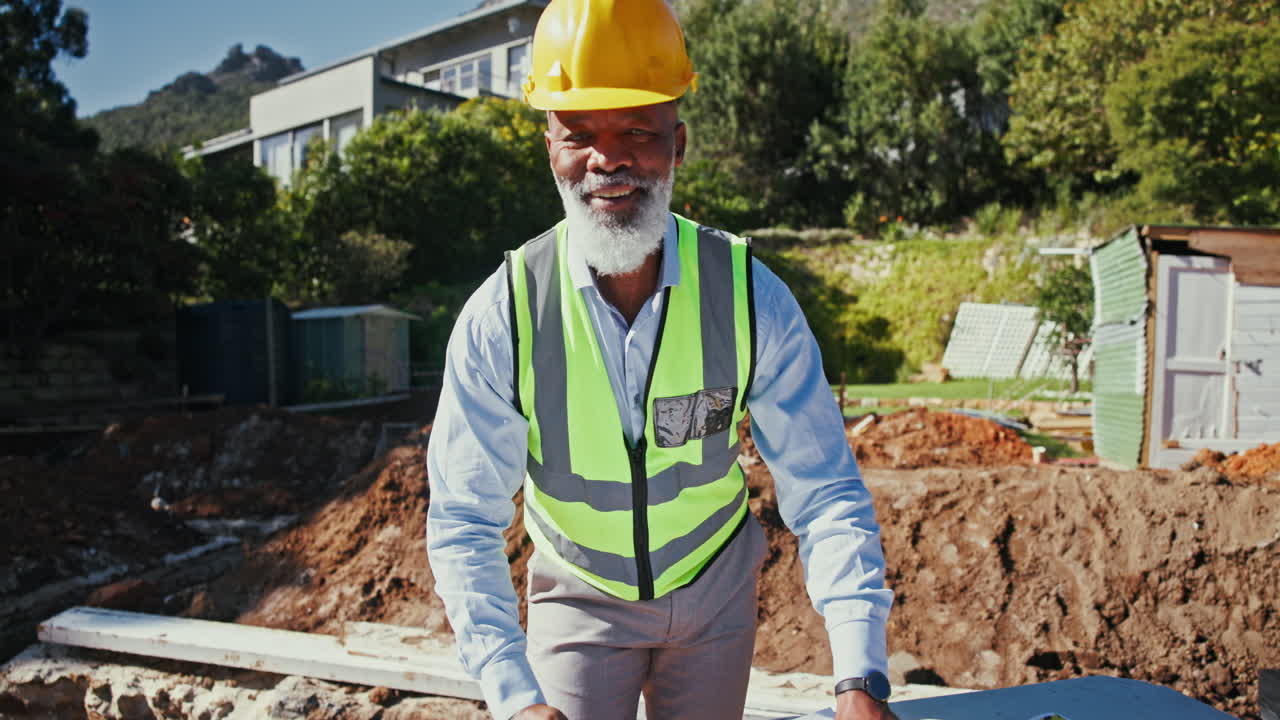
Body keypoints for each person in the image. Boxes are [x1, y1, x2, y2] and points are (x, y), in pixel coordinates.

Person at [425, 1, 896, 718]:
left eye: (635, 132)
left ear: (677, 146)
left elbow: (825, 488)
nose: (607, 159)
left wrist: (859, 676)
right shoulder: (506, 316)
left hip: (714, 593)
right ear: (549, 148)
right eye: (579, 134)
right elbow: (463, 519)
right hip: (579, 599)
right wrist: (512, 696)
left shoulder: (747, 297)